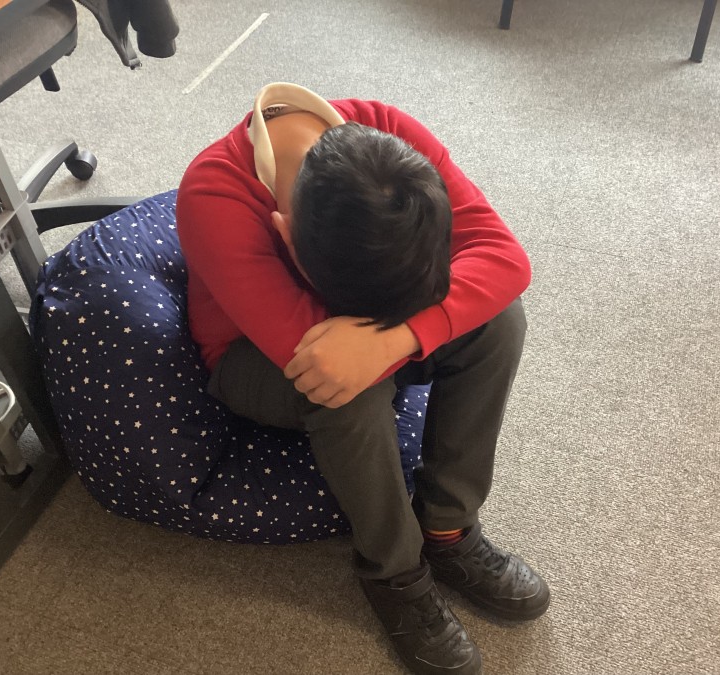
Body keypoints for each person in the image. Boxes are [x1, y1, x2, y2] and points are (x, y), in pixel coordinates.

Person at [176, 82, 549, 675]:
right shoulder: (213, 195)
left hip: (377, 323)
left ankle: (448, 530)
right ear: (286, 234)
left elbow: (507, 258)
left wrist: (399, 336)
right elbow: (323, 360)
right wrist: (427, 326)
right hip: (253, 356)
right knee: (347, 392)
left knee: (499, 320)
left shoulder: (386, 136)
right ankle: (394, 573)